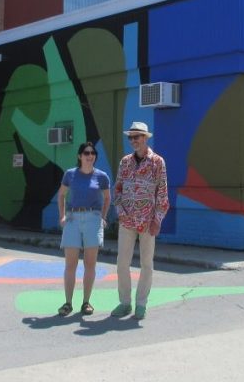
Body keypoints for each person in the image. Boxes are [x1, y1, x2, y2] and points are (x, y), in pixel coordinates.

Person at [111, 121, 169, 320]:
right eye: (131, 137)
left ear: (145, 138)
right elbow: (118, 188)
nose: (133, 140)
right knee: (122, 263)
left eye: (137, 137)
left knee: (146, 263)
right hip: (127, 220)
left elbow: (162, 192)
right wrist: (120, 211)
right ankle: (125, 302)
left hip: (147, 221)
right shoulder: (125, 162)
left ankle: (141, 304)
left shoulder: (157, 162)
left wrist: (158, 219)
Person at [56, 141, 111, 317]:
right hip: (73, 219)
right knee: (70, 264)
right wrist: (62, 215)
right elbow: (62, 195)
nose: (90, 156)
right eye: (86, 153)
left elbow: (107, 198)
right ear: (80, 156)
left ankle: (86, 302)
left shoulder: (102, 176)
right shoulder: (70, 174)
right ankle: (68, 303)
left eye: (92, 153)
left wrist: (102, 217)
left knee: (90, 264)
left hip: (92, 219)